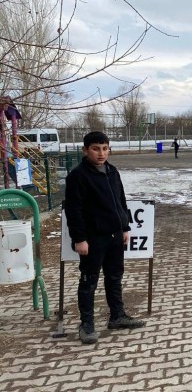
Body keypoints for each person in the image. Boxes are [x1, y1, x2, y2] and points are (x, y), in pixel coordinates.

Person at [64, 131, 146, 345]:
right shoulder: (78, 176)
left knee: (114, 276)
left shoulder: (112, 171)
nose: (101, 153)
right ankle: (87, 324)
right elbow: (74, 211)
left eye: (105, 148)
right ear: (85, 150)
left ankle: (117, 316)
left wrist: (125, 226)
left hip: (116, 236)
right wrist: (79, 238)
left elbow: (121, 201)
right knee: (89, 280)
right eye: (95, 148)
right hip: (93, 239)